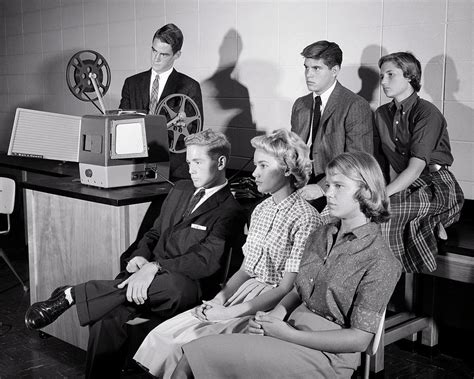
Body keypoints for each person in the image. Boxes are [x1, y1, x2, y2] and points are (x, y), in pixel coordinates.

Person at [24, 129, 246, 378]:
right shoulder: (181, 189)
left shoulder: (231, 210)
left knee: (174, 285)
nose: (191, 169)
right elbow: (153, 234)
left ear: (221, 162)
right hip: (146, 280)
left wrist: (156, 267)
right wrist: (139, 258)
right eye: (188, 163)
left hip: (184, 286)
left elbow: (205, 261)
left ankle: (73, 293)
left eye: (198, 162)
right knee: (105, 316)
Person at [172, 151, 402, 379]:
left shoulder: (381, 260)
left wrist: (287, 334)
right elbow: (296, 290)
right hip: (288, 329)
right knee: (192, 353)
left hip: (327, 355)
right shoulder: (321, 234)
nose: (328, 193)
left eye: (338, 186)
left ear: (366, 192)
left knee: (196, 355)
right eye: (328, 185)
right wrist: (272, 319)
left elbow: (360, 340)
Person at [133, 129, 322, 378]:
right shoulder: (261, 210)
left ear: (287, 169)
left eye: (263, 165)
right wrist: (220, 299)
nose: (254, 173)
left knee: (189, 346)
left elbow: (287, 288)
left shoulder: (307, 218)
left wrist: (229, 312)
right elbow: (245, 270)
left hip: (272, 304)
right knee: (165, 334)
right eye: (255, 165)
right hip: (241, 293)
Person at [374, 52, 464, 272]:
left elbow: (415, 170)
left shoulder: (427, 113)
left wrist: (383, 195)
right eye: (382, 75)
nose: (383, 81)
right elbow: (392, 164)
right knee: (369, 213)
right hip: (405, 184)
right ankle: (431, 221)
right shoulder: (381, 113)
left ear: (409, 76)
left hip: (435, 183)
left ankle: (389, 288)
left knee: (387, 215)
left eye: (390, 75)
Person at [291, 40, 374, 211]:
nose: (308, 74)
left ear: (334, 71)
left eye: (316, 68)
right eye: (306, 67)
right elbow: (293, 149)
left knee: (298, 215)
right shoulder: (301, 104)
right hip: (304, 180)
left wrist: (322, 187)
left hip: (338, 185)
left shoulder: (355, 105)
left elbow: (358, 160)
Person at [119, 23, 204, 180]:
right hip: (135, 165)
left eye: (163, 54)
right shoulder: (132, 83)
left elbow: (194, 135)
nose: (156, 58)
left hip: (174, 170)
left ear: (177, 55)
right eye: (153, 50)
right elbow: (122, 123)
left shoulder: (190, 87)